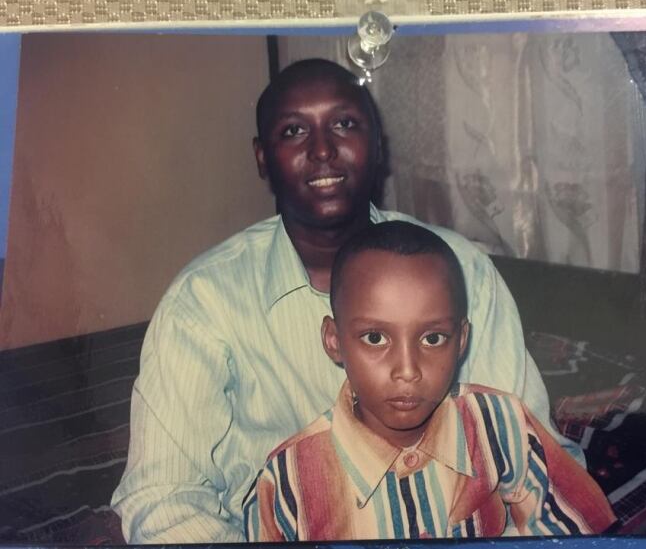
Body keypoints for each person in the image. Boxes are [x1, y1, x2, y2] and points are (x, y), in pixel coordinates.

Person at [111, 58, 583, 543]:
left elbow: (541, 461)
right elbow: (161, 496)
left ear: (377, 145)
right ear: (261, 158)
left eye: (343, 124)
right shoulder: (203, 301)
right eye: (294, 131)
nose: (322, 150)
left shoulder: (462, 270)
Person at [244, 221, 614, 541]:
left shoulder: (500, 426)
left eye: (432, 338)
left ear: (462, 341)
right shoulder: (288, 483)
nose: (408, 370)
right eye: (375, 338)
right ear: (333, 341)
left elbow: (574, 529)